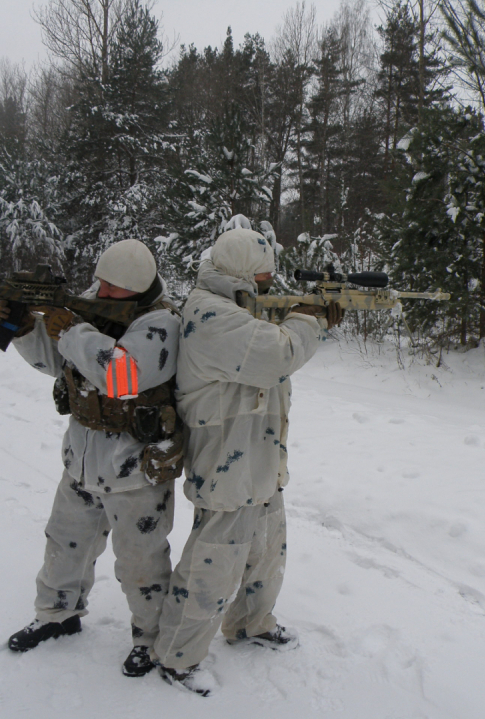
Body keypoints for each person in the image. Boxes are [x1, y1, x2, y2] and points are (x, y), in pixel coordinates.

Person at [153, 227, 343, 696]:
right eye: (261, 275)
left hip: (259, 457)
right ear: (239, 272)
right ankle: (177, 655)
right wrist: (310, 317)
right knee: (213, 563)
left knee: (265, 552)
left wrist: (305, 313)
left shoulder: (237, 304)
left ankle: (250, 625)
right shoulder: (210, 313)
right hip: (226, 464)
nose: (268, 282)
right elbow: (278, 353)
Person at [0, 239, 182, 678]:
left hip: (135, 470)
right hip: (82, 460)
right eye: (100, 280)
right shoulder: (93, 308)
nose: (100, 290)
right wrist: (25, 329)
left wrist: (71, 331)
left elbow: (121, 376)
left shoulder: (161, 325)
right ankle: (56, 615)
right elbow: (57, 361)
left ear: (136, 288)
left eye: (112, 286)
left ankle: (150, 640)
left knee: (140, 562)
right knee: (64, 544)